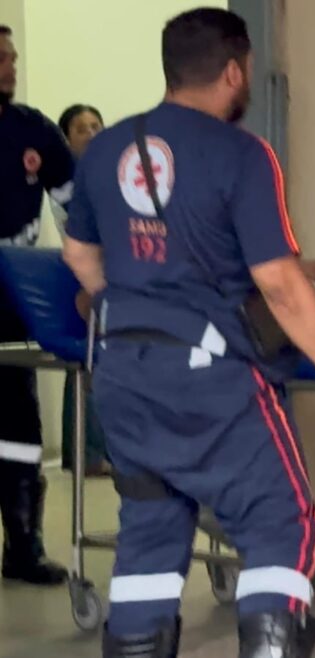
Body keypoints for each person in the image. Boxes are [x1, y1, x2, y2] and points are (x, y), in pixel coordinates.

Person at [61, 9, 315, 657]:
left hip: (123, 377)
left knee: (149, 534)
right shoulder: (244, 154)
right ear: (234, 71)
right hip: (214, 384)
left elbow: (80, 257)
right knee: (281, 522)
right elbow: (280, 284)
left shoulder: (106, 149)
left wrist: (139, 300)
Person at [0, 23, 73, 587]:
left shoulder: (34, 130)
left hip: (9, 299)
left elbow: (76, 210)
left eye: (12, 57)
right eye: (1, 57)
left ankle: (24, 547)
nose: (11, 65)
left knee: (17, 421)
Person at [54, 103, 112, 477]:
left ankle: (86, 451)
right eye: (81, 129)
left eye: (96, 126)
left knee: (95, 361)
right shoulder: (70, 182)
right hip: (85, 275)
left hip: (104, 274)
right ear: (66, 140)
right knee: (88, 360)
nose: (91, 134)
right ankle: (85, 453)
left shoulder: (102, 175)